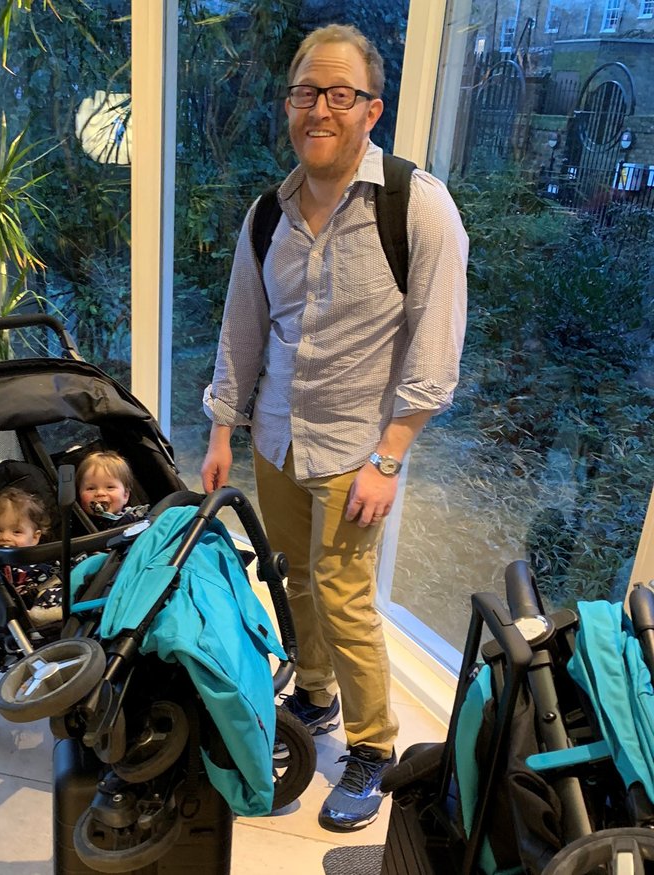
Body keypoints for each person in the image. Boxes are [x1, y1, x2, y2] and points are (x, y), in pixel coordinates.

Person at [201, 23, 468, 832]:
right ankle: (313, 694)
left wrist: (390, 458)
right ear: (289, 106)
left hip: (357, 453)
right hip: (278, 440)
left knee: (346, 594)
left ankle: (375, 749)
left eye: (339, 94)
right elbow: (242, 330)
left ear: (371, 109)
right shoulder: (267, 215)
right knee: (291, 577)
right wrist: (222, 430)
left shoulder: (413, 204)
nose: (319, 108)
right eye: (305, 92)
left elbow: (436, 341)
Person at [0, 486, 61, 623]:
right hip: (33, 605)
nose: (5, 537)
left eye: (16, 532)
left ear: (35, 538)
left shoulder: (46, 556)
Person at [76, 450, 148, 529]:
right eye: (91, 488)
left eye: (110, 487)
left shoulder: (135, 519)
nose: (100, 493)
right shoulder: (75, 528)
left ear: (125, 495)